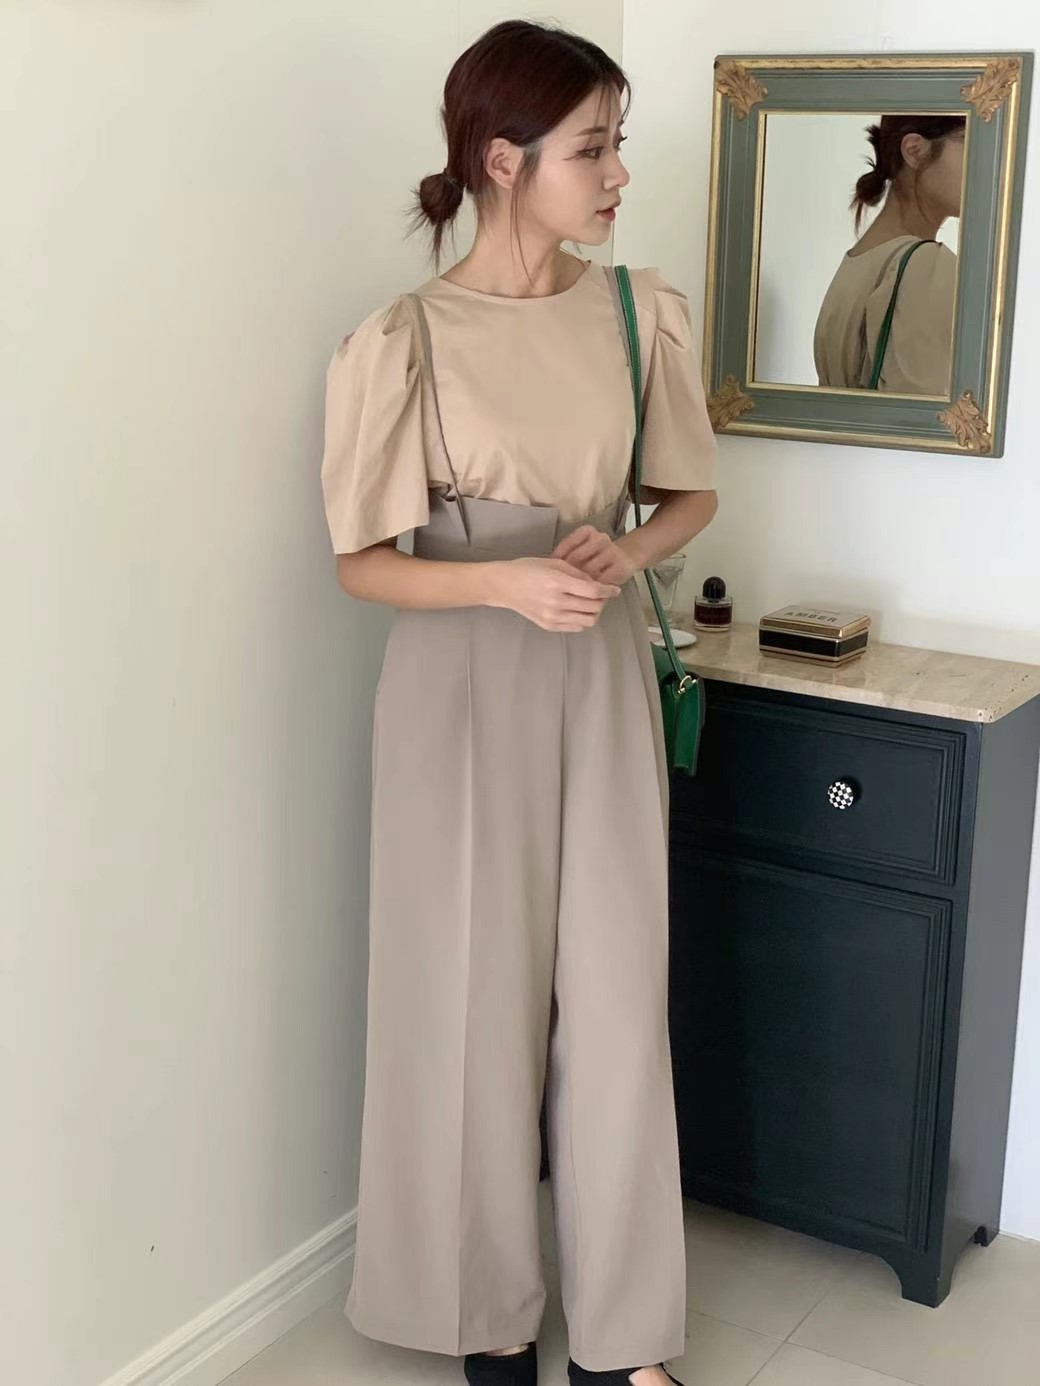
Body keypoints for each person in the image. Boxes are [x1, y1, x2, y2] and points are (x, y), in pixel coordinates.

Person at [320, 20, 718, 1386]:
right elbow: (359, 563)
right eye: (591, 149)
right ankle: (485, 1315)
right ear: (504, 160)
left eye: (619, 145)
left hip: (595, 673)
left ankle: (622, 1343)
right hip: (457, 683)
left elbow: (688, 496)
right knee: (466, 1000)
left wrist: (624, 549)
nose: (618, 175)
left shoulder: (633, 312)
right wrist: (501, 583)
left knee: (614, 1000)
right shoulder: (408, 339)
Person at [814, 114, 966, 393]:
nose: (986, 165)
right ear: (914, 150)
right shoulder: (925, 265)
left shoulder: (856, 260)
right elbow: (922, 414)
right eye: (969, 144)